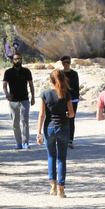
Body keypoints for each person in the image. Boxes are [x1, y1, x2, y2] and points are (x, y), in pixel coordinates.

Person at [36, 69, 75, 198]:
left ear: (50, 80)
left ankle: (52, 186)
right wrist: (64, 114)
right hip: (63, 127)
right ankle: (61, 189)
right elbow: (72, 114)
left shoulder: (45, 94)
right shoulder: (66, 94)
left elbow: (42, 114)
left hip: (49, 128)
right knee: (62, 158)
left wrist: (38, 132)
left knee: (51, 156)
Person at [2, 53, 35, 149]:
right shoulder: (8, 72)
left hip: (24, 99)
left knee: (25, 120)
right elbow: (4, 84)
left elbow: (31, 85)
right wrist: (6, 93)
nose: (18, 61)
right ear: (12, 60)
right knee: (15, 122)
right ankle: (18, 142)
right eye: (16, 59)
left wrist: (33, 97)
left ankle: (26, 142)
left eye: (19, 59)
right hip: (13, 100)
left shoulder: (26, 71)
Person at [60, 55, 80, 149]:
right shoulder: (60, 74)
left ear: (70, 63)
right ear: (62, 64)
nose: (66, 64)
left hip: (73, 99)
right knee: (63, 120)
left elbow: (76, 86)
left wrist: (76, 97)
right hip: (63, 99)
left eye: (68, 62)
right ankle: (63, 139)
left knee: (71, 120)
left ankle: (70, 140)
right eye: (64, 62)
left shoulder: (74, 73)